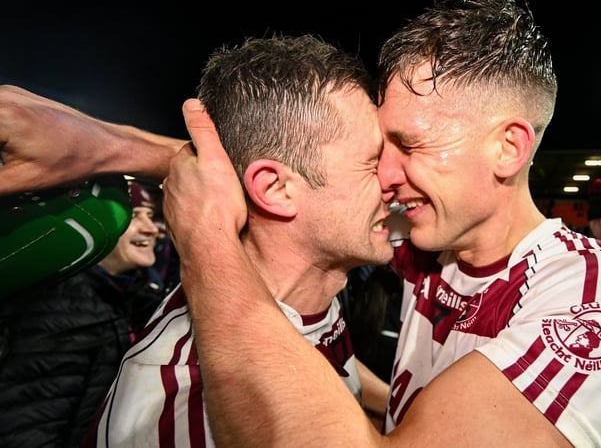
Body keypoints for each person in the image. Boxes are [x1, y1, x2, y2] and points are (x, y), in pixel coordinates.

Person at [0, 0, 601, 445]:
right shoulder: (421, 245)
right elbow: (281, 173)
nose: (389, 175)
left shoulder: (591, 291)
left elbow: (289, 186)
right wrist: (115, 148)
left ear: (509, 148)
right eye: (377, 152)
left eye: (409, 145)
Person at [79, 35, 394, 446]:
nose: (394, 179)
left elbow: (323, 355)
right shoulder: (188, 413)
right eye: (373, 162)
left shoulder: (306, 288)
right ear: (276, 189)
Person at [0, 179, 164, 447]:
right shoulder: (61, 307)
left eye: (150, 215)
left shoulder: (121, 297)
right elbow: (29, 425)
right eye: (135, 216)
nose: (151, 228)